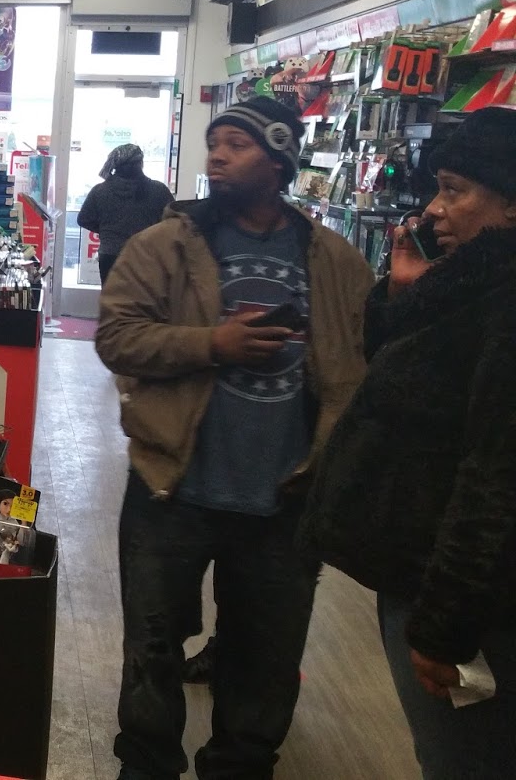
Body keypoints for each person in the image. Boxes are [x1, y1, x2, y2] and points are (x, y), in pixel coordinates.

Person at [97, 97, 373, 780]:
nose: (217, 155)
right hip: (171, 487)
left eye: (237, 144)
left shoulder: (334, 261)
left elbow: (359, 369)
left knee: (264, 670)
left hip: (285, 500)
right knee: (152, 657)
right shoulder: (165, 245)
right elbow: (117, 336)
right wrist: (211, 343)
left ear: (279, 161)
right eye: (214, 141)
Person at [304, 108, 516, 777]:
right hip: (427, 581)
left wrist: (442, 626)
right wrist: (401, 296)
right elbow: (410, 386)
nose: (434, 209)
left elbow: (494, 479)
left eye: (455, 189)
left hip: (461, 600)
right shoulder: (471, 284)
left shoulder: (503, 303)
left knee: (465, 760)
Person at [78, 144, 175, 283]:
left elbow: (83, 219)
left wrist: (106, 230)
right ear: (141, 164)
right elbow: (173, 221)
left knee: (112, 296)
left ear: (115, 166)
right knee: (143, 296)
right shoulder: (158, 190)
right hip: (146, 255)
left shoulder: (99, 191)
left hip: (110, 255)